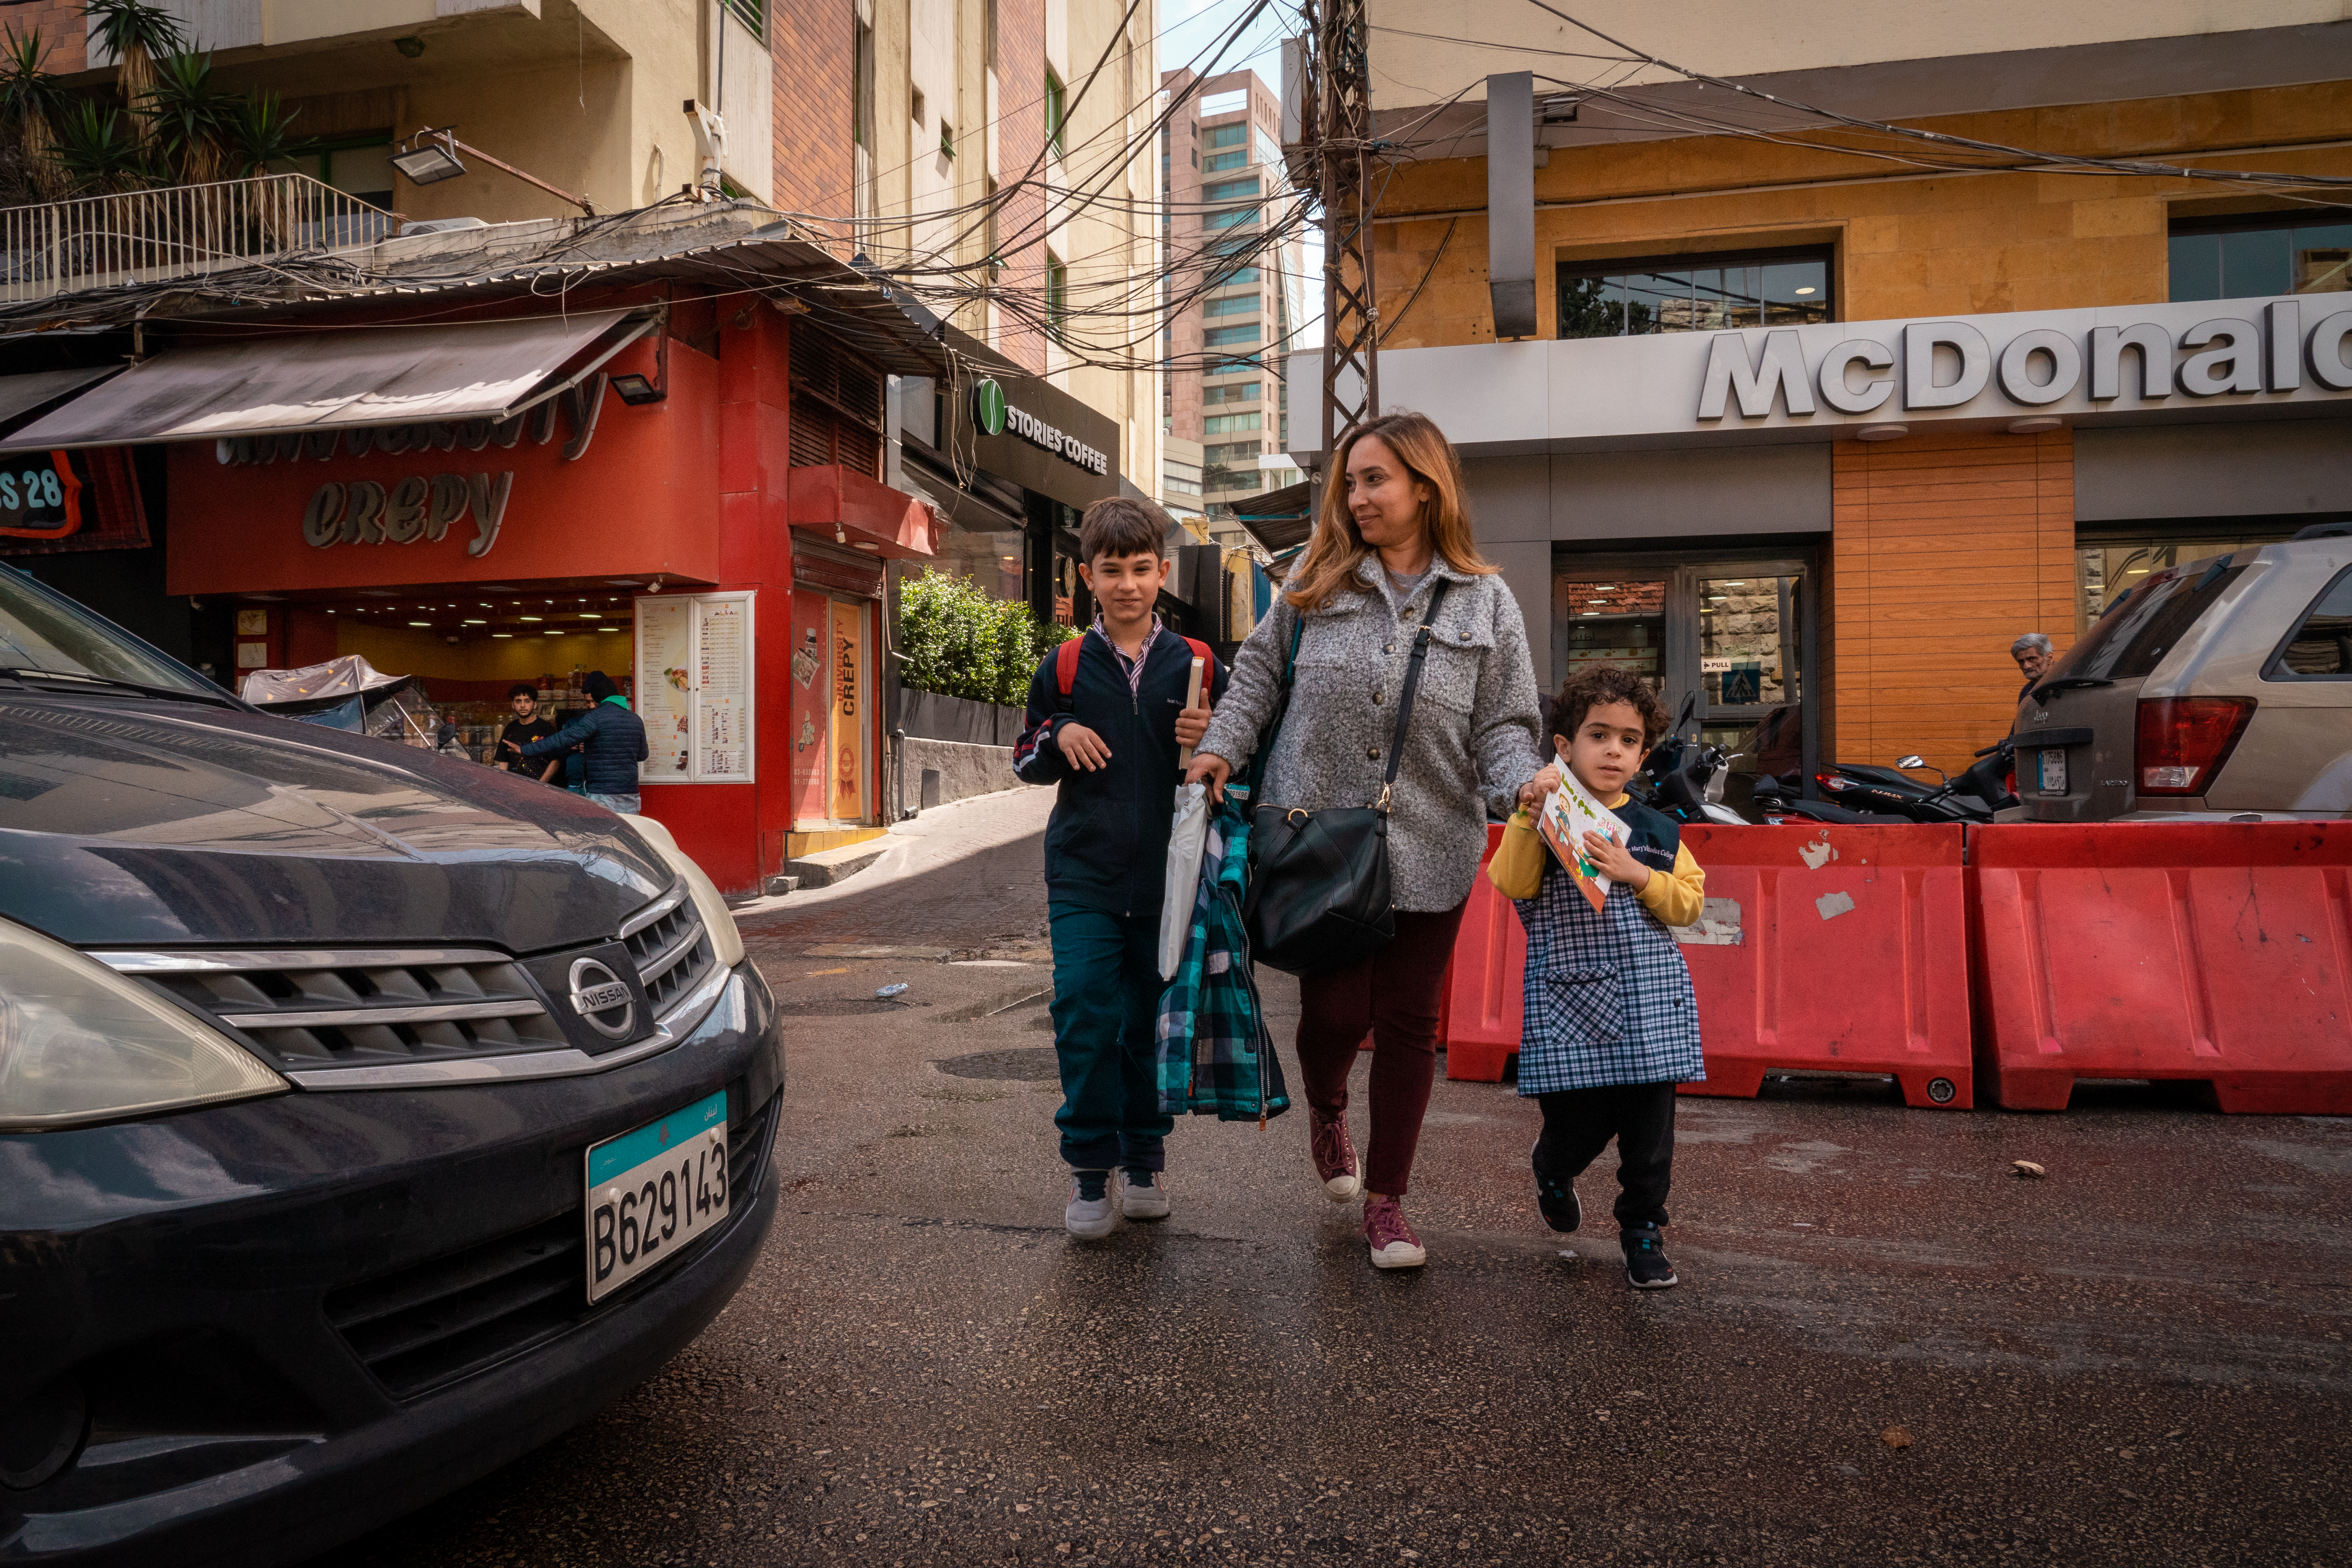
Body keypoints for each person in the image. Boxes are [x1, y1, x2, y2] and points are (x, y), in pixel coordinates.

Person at [1186, 411, 1543, 1270]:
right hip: (1319, 833)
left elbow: (1503, 725)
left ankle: (1388, 1202)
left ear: (1425, 485)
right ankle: (1326, 1104)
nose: (1357, 496)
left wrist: (1523, 780)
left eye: (1374, 479)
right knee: (1335, 1013)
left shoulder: (1485, 598)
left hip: (1433, 838)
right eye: (1350, 482)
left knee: (1411, 1023)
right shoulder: (1320, 577)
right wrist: (1219, 747)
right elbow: (1261, 672)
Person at [1013, 497, 1225, 1240]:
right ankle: (1088, 1166)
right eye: (1113, 571)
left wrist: (1214, 744)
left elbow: (1238, 768)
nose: (1129, 583)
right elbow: (1025, 756)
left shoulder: (1199, 663)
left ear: (1163, 572)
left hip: (1172, 882)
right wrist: (1060, 730)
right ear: (1087, 577)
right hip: (1083, 874)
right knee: (1082, 1010)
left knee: (1147, 1024)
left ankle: (1144, 1158)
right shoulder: (1064, 664)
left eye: (1141, 568)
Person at [1514, 665, 1707, 1290]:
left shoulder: (1658, 831)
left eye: (1628, 741)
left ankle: (1643, 1230)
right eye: (1599, 736)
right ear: (1565, 748)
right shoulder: (1545, 819)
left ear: (1643, 754)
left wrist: (1637, 874)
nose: (1614, 750)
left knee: (1650, 1140)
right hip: (1572, 1003)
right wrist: (1526, 815)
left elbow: (1690, 906)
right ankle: (1553, 1166)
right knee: (1578, 1129)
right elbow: (1512, 885)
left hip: (1651, 1008)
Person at [510, 670, 646, 813]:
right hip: (631, 793)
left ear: (598, 698)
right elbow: (643, 755)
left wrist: (525, 749)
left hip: (603, 793)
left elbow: (562, 739)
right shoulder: (636, 719)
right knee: (627, 834)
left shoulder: (594, 718)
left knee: (602, 834)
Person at [497, 683, 563, 784]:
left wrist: (541, 784)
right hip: (514, 786)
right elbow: (504, 760)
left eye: (527, 701)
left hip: (540, 788)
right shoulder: (510, 728)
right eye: (518, 702)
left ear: (535, 705)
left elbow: (556, 760)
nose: (523, 705)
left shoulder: (546, 728)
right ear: (513, 705)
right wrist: (504, 784)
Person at [2011, 632, 2053, 702]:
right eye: (2021, 662)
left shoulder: (2069, 682)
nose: (2027, 666)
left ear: (2049, 658)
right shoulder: (2027, 692)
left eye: (2032, 659)